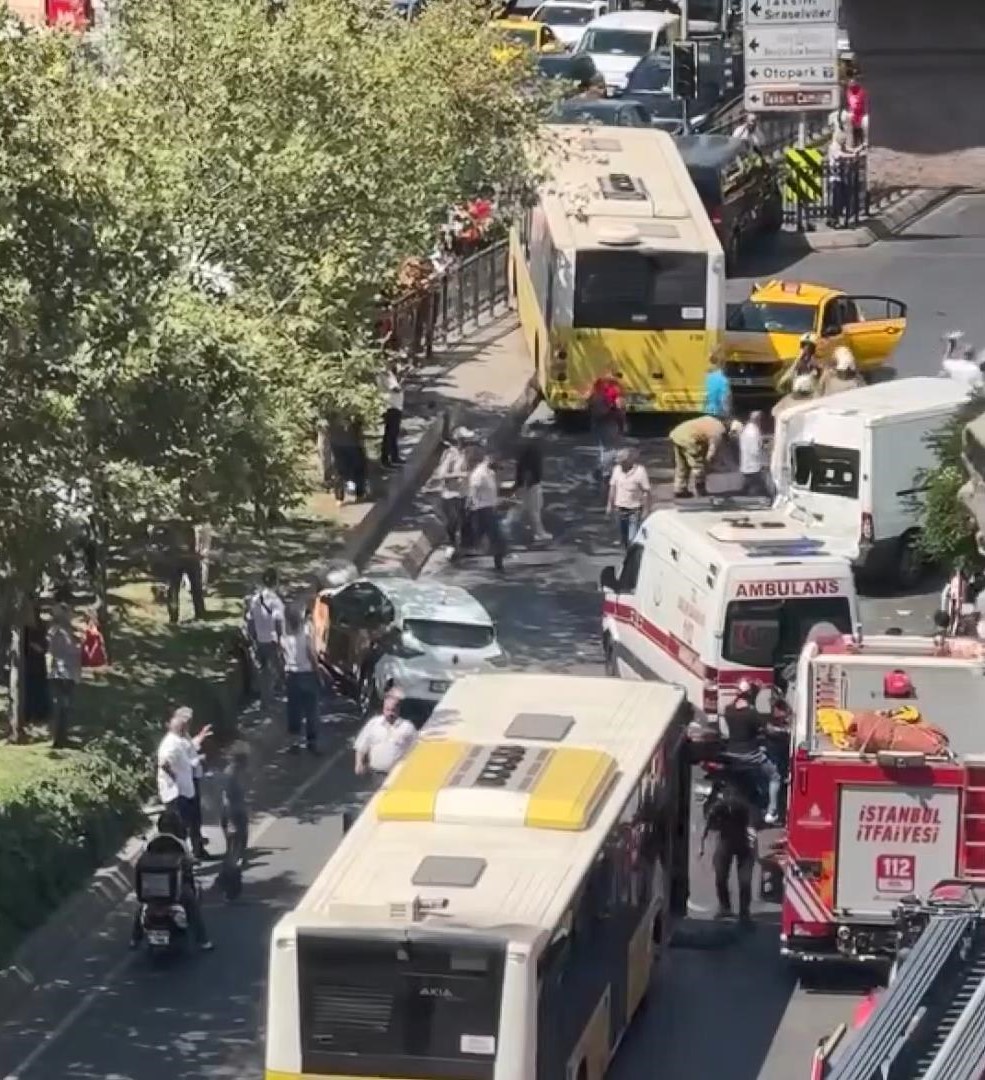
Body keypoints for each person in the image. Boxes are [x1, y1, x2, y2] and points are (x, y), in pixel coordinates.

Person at [130, 809, 213, 951]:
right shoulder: (180, 843)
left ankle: (134, 938)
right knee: (192, 905)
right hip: (175, 890)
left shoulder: (151, 841)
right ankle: (203, 940)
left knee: (141, 906)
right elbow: (188, 861)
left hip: (152, 890)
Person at [722, 688, 781, 825]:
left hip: (732, 755)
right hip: (751, 756)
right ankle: (771, 811)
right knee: (775, 776)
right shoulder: (752, 713)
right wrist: (782, 731)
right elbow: (769, 730)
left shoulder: (728, 710)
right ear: (750, 695)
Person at [701, 781, 755, 924]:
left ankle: (742, 911)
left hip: (742, 840)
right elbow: (708, 819)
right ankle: (727, 907)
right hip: (729, 840)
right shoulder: (720, 802)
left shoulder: (742, 804)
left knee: (743, 879)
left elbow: (752, 820)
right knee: (722, 875)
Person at [157, 707, 213, 841]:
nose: (187, 725)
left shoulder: (182, 738)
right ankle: (182, 848)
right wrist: (175, 777)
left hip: (187, 785)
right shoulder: (171, 742)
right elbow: (164, 763)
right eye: (185, 723)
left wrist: (201, 737)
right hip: (177, 791)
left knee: (193, 819)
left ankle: (196, 846)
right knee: (181, 824)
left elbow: (188, 751)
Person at [281, 602, 320, 753]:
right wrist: (318, 672)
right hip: (307, 674)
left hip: (291, 674)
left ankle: (294, 743)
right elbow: (311, 654)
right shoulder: (305, 635)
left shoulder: (284, 636)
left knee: (294, 711)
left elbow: (282, 655)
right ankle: (312, 743)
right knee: (311, 710)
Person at [669, 415, 739, 498]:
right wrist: (707, 464)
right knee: (698, 465)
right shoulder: (719, 431)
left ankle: (680, 490)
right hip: (689, 440)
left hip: (678, 434)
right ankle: (700, 490)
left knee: (682, 466)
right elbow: (711, 452)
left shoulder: (714, 422)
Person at [353, 689, 417, 777]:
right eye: (387, 710)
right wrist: (359, 763)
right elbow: (361, 745)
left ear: (398, 710)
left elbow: (416, 749)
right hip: (375, 774)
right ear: (383, 709)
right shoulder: (374, 723)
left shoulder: (407, 727)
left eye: (393, 710)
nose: (390, 713)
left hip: (397, 776)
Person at [246, 568, 285, 705]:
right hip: (271, 640)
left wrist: (252, 637)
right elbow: (278, 622)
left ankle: (265, 698)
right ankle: (268, 700)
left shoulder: (255, 599)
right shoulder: (276, 601)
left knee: (262, 671)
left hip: (259, 640)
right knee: (272, 671)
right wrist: (280, 640)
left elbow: (250, 620)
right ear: (276, 582)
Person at [47, 603, 81, 748]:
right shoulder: (56, 631)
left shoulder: (70, 632)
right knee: (59, 705)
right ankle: (56, 738)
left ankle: (62, 737)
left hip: (68, 673)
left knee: (65, 706)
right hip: (60, 673)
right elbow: (51, 652)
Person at [467, 451, 507, 573]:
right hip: (482, 509)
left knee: (482, 536)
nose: (498, 463)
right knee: (496, 537)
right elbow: (473, 489)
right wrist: (472, 505)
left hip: (488, 508)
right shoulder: (479, 473)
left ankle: (498, 561)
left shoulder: (489, 472)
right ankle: (498, 563)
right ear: (489, 459)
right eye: (496, 460)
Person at [436, 427, 472, 556]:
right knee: (452, 521)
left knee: (465, 521)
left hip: (463, 493)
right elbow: (441, 474)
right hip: (451, 495)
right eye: (465, 440)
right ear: (459, 440)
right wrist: (460, 475)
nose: (468, 442)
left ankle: (464, 546)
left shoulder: (466, 453)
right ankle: (451, 544)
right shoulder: (450, 455)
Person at [607, 447, 651, 548]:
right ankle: (627, 550)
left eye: (622, 462)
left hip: (634, 510)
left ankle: (631, 553)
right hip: (619, 509)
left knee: (632, 538)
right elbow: (612, 487)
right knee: (624, 537)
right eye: (619, 462)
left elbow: (646, 491)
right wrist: (609, 504)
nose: (620, 464)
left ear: (629, 461)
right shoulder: (617, 470)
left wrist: (646, 510)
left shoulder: (640, 471)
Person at [587, 372, 625, 483]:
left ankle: (602, 471)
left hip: (600, 424)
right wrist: (620, 419)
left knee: (606, 449)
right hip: (609, 423)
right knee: (610, 449)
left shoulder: (596, 393)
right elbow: (619, 409)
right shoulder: (611, 393)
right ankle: (606, 474)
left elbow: (590, 405)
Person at [513, 436, 552, 544]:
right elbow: (528, 470)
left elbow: (521, 468)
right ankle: (539, 533)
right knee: (534, 509)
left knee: (529, 509)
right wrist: (526, 484)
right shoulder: (533, 450)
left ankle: (534, 532)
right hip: (532, 484)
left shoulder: (526, 450)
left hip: (530, 483)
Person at [220, 742, 250, 874]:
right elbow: (226, 796)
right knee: (235, 837)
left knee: (241, 835)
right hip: (232, 810)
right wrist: (230, 819)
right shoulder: (230, 774)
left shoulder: (238, 772)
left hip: (238, 808)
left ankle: (238, 858)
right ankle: (233, 862)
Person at [379, 361, 405, 468]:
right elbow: (395, 389)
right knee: (390, 435)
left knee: (393, 434)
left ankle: (395, 456)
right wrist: (402, 379)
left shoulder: (389, 373)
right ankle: (385, 459)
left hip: (396, 406)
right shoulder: (384, 374)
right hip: (390, 407)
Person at [739, 411, 767, 496]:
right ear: (758, 419)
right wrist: (763, 461)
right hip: (753, 464)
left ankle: (745, 495)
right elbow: (755, 450)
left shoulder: (746, 429)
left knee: (750, 483)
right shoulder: (753, 432)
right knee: (756, 487)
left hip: (747, 462)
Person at [703, 352, 732, 421]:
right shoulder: (723, 380)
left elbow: (705, 397)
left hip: (707, 412)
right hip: (718, 414)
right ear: (723, 365)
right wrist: (727, 414)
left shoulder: (707, 378)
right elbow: (724, 400)